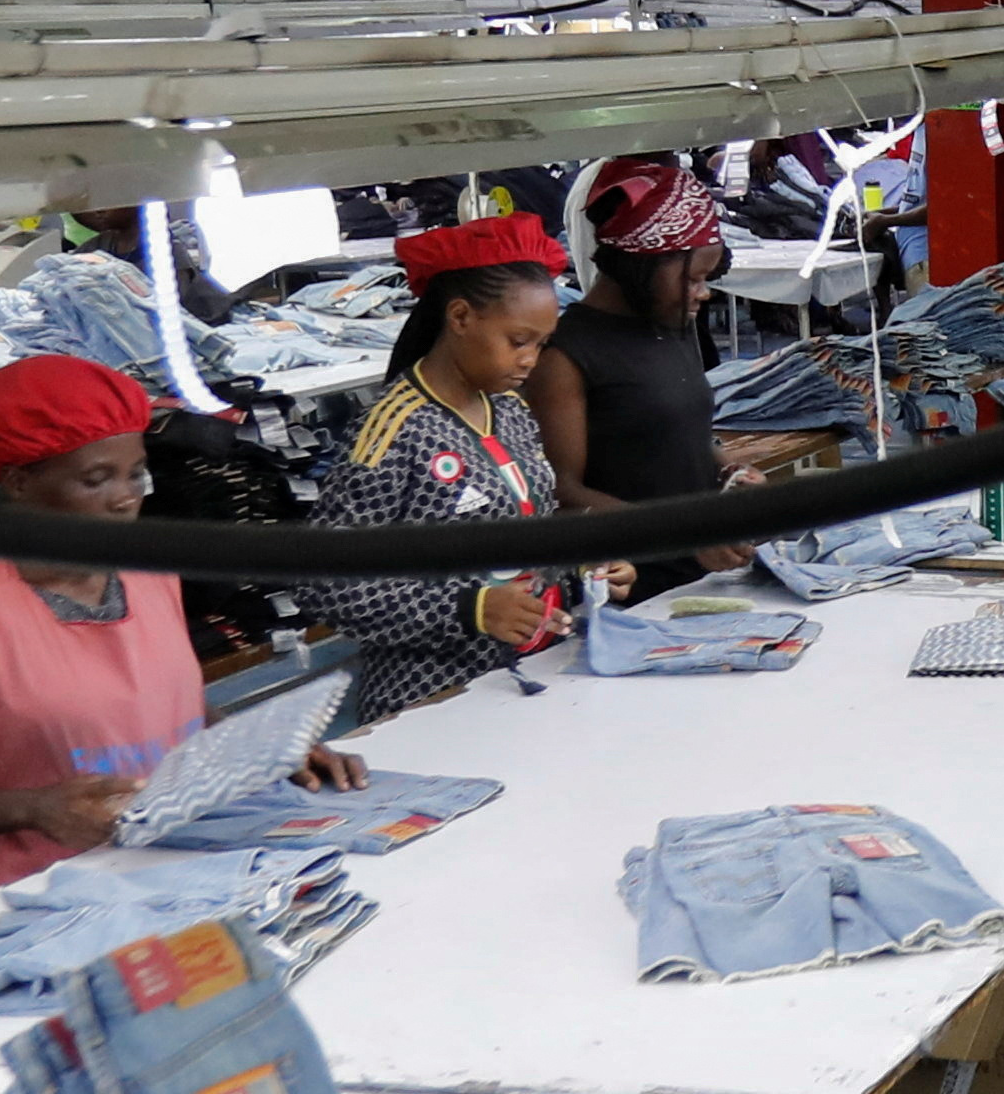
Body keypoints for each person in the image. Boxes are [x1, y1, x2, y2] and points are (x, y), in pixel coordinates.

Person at [0, 357, 365, 889]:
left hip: (188, 863)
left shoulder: (149, 570)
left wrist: (264, 750)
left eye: (135, 473)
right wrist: (35, 808)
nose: (126, 498)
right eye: (95, 479)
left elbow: (166, 710)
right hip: (52, 889)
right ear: (18, 480)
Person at [302, 215, 614, 723]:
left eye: (541, 344)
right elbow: (327, 585)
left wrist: (583, 570)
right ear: (462, 317)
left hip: (525, 681)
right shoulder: (393, 434)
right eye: (518, 341)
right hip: (432, 699)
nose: (531, 359)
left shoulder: (509, 411)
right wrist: (468, 609)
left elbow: (528, 533)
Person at [532, 154, 748, 594]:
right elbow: (561, 492)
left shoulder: (672, 326)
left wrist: (729, 471)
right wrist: (682, 534)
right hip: (634, 585)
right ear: (648, 266)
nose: (703, 294)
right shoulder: (565, 356)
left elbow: (680, 434)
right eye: (694, 279)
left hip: (704, 575)